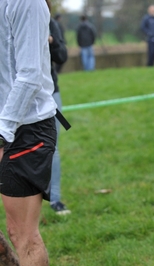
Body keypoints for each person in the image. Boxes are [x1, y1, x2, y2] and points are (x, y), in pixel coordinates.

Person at [0, 0, 58, 265]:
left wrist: (2, 132)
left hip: (25, 129)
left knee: (23, 235)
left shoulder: (27, 2)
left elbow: (30, 75)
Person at [47, 0, 71, 215]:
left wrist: (51, 41)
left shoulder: (50, 23)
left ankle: (54, 199)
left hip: (49, 94)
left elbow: (62, 55)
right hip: (10, 96)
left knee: (51, 147)